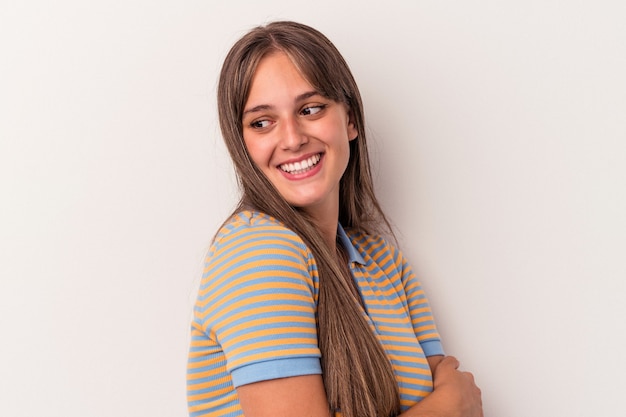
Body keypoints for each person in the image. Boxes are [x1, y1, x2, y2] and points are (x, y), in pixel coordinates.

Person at [187, 21, 483, 417]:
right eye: (262, 122)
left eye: (310, 109)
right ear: (242, 145)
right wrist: (447, 407)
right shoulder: (257, 253)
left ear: (350, 120)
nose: (291, 138)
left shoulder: (381, 259)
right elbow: (457, 399)